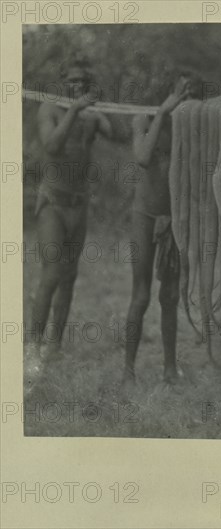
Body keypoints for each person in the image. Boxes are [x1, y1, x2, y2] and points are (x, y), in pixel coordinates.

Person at [25, 57, 112, 379]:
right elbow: (52, 145)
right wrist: (76, 109)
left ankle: (55, 347)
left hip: (79, 204)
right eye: (71, 81)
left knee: (69, 277)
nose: (76, 87)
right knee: (50, 275)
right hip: (53, 203)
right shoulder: (49, 109)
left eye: (82, 82)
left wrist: (102, 109)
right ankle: (32, 348)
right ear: (62, 82)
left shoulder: (89, 117)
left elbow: (117, 133)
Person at [122, 73, 191, 386]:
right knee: (140, 295)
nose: (184, 96)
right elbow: (143, 158)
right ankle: (128, 370)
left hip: (173, 218)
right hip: (144, 215)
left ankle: (169, 369)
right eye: (180, 89)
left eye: (188, 92)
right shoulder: (143, 119)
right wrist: (162, 113)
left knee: (170, 296)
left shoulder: (189, 121)